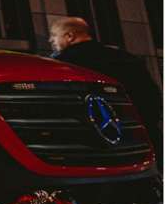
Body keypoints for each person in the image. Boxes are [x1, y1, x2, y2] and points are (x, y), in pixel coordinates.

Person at [49, 16, 162, 158]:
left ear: (69, 36)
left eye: (54, 35)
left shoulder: (63, 64)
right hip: (141, 137)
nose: (51, 40)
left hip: (93, 143)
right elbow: (151, 95)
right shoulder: (126, 57)